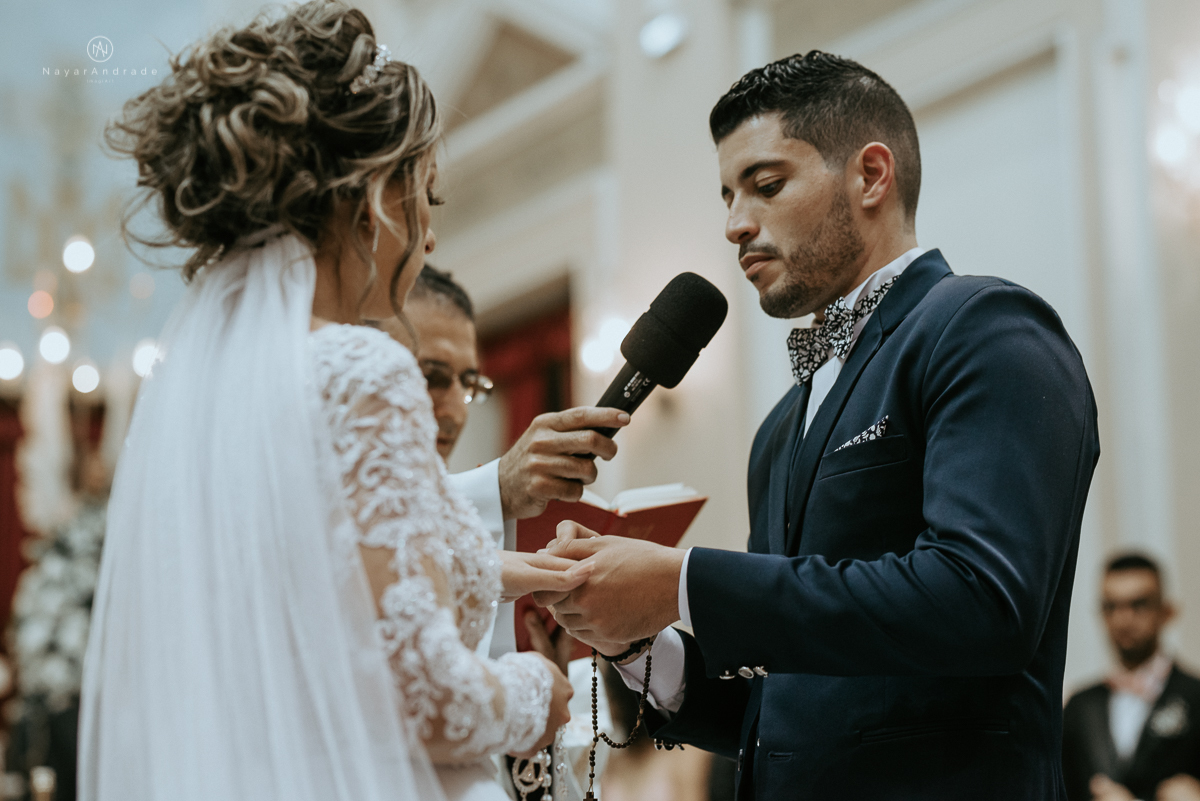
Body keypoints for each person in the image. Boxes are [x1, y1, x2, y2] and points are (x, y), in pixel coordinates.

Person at [537, 50, 1100, 799]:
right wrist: (642, 643)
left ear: (871, 174)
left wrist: (684, 581)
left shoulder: (985, 327)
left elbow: (981, 597)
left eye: (766, 185)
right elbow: (785, 709)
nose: (736, 224)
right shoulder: (780, 429)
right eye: (728, 196)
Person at [78, 4, 590, 800]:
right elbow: (432, 700)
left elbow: (336, 585)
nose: (427, 239)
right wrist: (538, 693)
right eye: (425, 194)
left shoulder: (206, 400)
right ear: (372, 192)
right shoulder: (360, 369)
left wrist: (516, 571)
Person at [1063, 554, 1200, 801]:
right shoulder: (1079, 706)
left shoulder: (1196, 696)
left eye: (1138, 604)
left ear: (1166, 611)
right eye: (1111, 606)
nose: (1123, 619)